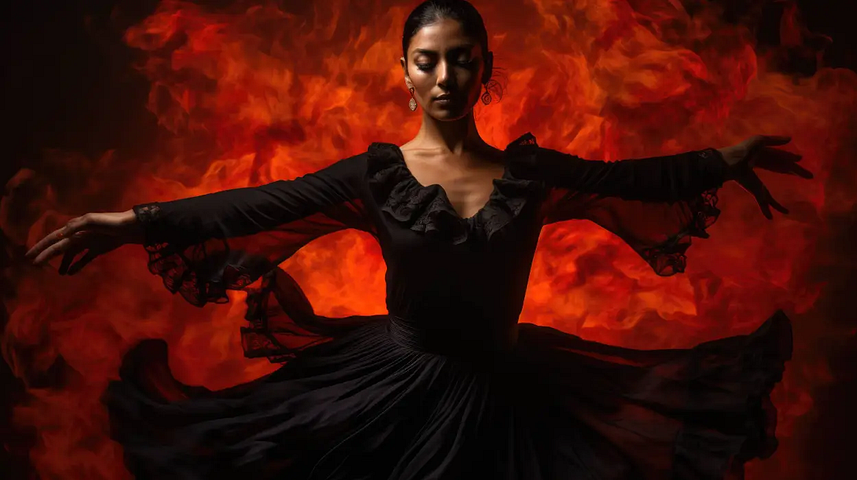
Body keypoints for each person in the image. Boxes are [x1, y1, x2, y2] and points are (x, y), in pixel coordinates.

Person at [25, 1, 813, 478]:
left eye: (459, 62)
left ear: (484, 72)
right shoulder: (375, 177)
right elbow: (254, 205)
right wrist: (133, 224)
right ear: (405, 74)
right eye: (427, 62)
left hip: (514, 393)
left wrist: (722, 160)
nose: (443, 78)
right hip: (391, 393)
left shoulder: (530, 175)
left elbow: (632, 180)